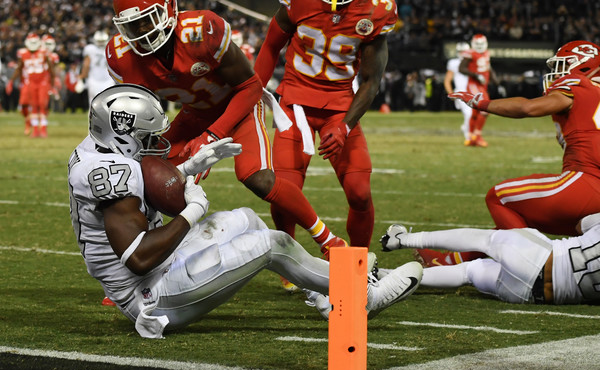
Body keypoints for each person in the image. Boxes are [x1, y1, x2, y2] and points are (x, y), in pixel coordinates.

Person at [67, 84, 423, 338]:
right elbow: (138, 257)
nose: (156, 143)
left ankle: (327, 298)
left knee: (247, 218)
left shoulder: (102, 149)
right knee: (270, 244)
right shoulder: (108, 176)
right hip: (148, 295)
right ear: (124, 134)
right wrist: (192, 212)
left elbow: (144, 186)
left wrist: (189, 167)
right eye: (147, 137)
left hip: (159, 269)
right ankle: (361, 297)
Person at [106, 0, 347, 293]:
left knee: (257, 178)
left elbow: (250, 86)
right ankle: (136, 273)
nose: (142, 31)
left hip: (239, 107)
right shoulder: (120, 56)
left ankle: (329, 241)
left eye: (147, 20)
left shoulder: (202, 31)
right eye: (132, 25)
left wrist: (211, 136)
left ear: (170, 9)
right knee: (145, 178)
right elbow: (137, 112)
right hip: (196, 113)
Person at [417, 40, 600, 268]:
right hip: (590, 193)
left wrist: (482, 103)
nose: (557, 72)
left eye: (564, 65)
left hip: (587, 182)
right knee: (518, 220)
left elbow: (528, 108)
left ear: (583, 65)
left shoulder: (578, 84)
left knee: (499, 197)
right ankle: (448, 261)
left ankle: (533, 267)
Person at [254, 0, 398, 255]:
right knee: (285, 192)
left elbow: (371, 81)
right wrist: (252, 96)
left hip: (340, 106)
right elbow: (270, 46)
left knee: (359, 192)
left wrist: (344, 127)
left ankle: (359, 264)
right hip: (295, 105)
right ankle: (289, 262)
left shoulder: (375, 9)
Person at [380, 217, 600, 305]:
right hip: (532, 296)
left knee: (483, 239)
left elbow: (581, 224)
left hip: (540, 257)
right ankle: (385, 277)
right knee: (469, 272)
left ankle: (401, 239)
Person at [6, 33, 55, 137]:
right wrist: (11, 81)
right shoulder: (23, 54)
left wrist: (53, 84)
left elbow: (51, 70)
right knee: (33, 106)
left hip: (42, 82)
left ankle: (43, 129)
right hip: (30, 83)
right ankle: (35, 129)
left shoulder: (43, 52)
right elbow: (19, 68)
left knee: (42, 105)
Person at [458, 34, 498, 147]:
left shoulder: (486, 53)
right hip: (474, 85)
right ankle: (477, 136)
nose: (480, 46)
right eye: (477, 44)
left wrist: (496, 81)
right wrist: (475, 75)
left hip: (482, 86)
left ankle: (470, 138)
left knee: (475, 112)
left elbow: (488, 68)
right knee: (485, 109)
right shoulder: (470, 53)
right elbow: (461, 68)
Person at [444, 42, 472, 144]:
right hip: (460, 93)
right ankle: (468, 137)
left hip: (472, 92)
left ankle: (466, 127)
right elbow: (447, 80)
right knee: (469, 113)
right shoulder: (454, 63)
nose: (462, 53)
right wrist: (450, 92)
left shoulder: (473, 62)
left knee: (475, 114)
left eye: (464, 51)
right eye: (460, 51)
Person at [79, 30, 114, 105]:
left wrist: (82, 77)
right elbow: (86, 65)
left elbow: (86, 65)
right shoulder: (111, 47)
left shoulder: (90, 49)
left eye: (102, 41)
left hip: (101, 80)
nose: (101, 43)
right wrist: (82, 77)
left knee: (94, 103)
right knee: (108, 103)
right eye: (99, 41)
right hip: (102, 80)